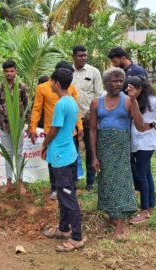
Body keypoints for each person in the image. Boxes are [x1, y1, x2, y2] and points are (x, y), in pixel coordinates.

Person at [89, 68, 148, 239]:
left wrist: (135, 102)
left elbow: (140, 126)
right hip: (104, 150)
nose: (118, 84)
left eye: (121, 81)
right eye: (114, 81)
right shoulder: (96, 103)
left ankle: (120, 229)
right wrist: (94, 157)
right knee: (106, 183)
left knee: (122, 185)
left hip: (121, 150)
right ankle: (113, 217)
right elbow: (93, 130)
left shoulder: (128, 101)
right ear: (106, 83)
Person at [40, 67, 85, 252]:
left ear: (57, 84)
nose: (50, 84)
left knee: (67, 197)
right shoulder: (71, 101)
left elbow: (54, 129)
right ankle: (63, 228)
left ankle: (77, 237)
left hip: (61, 156)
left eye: (52, 81)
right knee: (64, 195)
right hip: (69, 153)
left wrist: (44, 144)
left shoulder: (61, 104)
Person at [29, 61, 83, 200]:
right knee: (53, 161)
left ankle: (70, 188)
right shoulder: (42, 88)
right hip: (51, 131)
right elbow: (37, 109)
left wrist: (80, 126)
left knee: (70, 160)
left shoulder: (70, 89)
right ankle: (55, 188)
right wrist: (33, 127)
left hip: (70, 132)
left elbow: (76, 109)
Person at [125, 76, 156, 224]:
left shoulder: (151, 100)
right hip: (137, 141)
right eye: (127, 87)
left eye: (131, 88)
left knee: (141, 175)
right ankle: (150, 205)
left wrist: (153, 124)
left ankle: (144, 210)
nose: (128, 89)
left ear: (139, 89)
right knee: (146, 173)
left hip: (147, 142)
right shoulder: (134, 99)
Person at [0, 60, 29, 194]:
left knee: (18, 154)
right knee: (7, 155)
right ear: (3, 72)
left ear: (16, 71)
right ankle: (9, 182)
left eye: (12, 71)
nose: (9, 73)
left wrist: (30, 125)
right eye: (6, 71)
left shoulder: (22, 87)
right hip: (4, 126)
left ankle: (20, 182)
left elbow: (27, 107)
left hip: (18, 127)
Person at [71, 45, 103, 191]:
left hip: (89, 117)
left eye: (85, 55)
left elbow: (99, 94)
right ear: (73, 56)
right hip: (71, 118)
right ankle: (73, 180)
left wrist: (92, 112)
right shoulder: (67, 71)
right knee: (72, 149)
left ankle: (90, 182)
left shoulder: (94, 71)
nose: (83, 58)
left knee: (91, 149)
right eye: (80, 55)